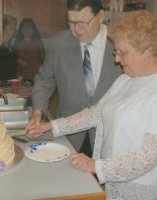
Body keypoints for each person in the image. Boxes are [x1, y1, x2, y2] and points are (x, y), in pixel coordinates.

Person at [27, 10, 157, 200]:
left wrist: (96, 166)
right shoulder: (127, 79)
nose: (116, 59)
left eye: (123, 53)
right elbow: (95, 113)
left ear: (147, 51)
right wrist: (51, 126)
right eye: (116, 51)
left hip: (143, 188)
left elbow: (149, 155)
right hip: (115, 182)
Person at [26, 0, 122, 154]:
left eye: (82, 23)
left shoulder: (121, 42)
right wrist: (38, 111)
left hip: (109, 135)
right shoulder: (58, 43)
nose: (76, 30)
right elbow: (45, 80)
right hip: (70, 135)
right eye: (71, 23)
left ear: (101, 16)